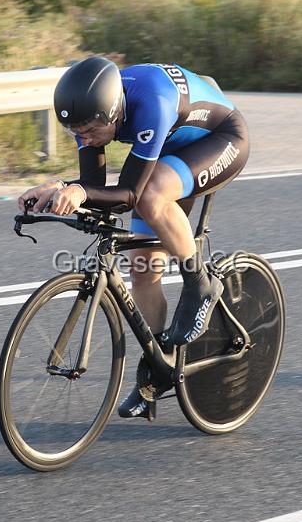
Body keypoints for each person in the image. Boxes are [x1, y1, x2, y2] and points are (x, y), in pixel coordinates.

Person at [17, 56, 250, 418]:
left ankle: (200, 282)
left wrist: (77, 191)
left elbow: (127, 195)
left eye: (91, 130)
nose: (85, 138)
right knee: (143, 270)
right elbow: (93, 188)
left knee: (152, 193)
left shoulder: (149, 102)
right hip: (169, 148)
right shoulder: (93, 116)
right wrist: (59, 189)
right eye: (75, 132)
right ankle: (158, 372)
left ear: (114, 112)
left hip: (221, 139)